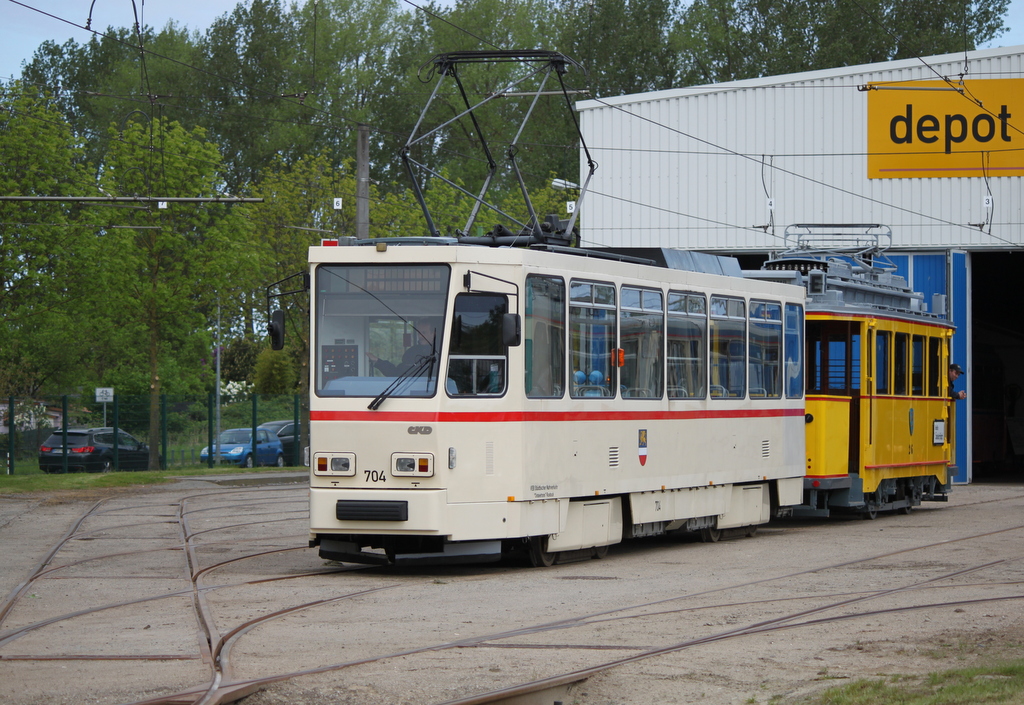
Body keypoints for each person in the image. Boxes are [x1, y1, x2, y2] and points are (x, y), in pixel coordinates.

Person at [367, 322, 437, 376]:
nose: (419, 336)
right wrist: (378, 361)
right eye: (418, 332)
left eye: (424, 333)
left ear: (433, 334)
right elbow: (397, 374)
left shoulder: (442, 352)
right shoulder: (411, 352)